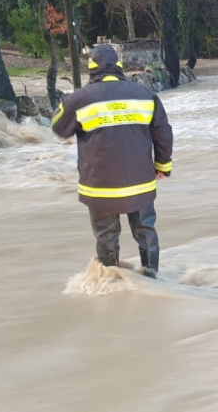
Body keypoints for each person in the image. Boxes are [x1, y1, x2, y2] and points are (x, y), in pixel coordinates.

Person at [51, 44, 173, 279]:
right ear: (119, 66)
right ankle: (152, 277)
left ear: (92, 69)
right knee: (145, 229)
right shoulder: (145, 95)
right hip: (140, 181)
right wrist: (162, 166)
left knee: (106, 235)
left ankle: (111, 282)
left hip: (99, 185)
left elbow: (58, 126)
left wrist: (69, 103)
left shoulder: (81, 99)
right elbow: (163, 133)